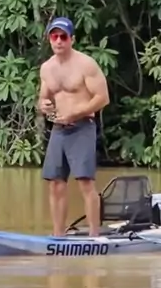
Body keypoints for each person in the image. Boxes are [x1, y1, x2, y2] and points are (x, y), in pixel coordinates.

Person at [37, 17, 110, 237]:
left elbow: (103, 98)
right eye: (54, 36)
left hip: (82, 126)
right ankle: (58, 236)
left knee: (85, 183)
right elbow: (43, 98)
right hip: (59, 129)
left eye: (63, 36)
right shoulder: (47, 68)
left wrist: (75, 113)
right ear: (50, 39)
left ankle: (94, 237)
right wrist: (43, 105)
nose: (58, 41)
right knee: (55, 183)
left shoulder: (86, 64)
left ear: (72, 39)